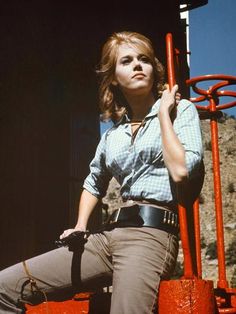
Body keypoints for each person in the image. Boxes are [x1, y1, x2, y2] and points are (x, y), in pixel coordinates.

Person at [0, 31, 203, 313]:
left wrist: (163, 116)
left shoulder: (182, 111)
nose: (137, 65)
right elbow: (94, 181)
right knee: (5, 287)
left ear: (153, 70)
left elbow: (181, 171)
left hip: (150, 237)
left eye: (144, 59)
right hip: (107, 237)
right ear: (114, 76)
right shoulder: (113, 135)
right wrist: (81, 225)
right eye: (127, 61)